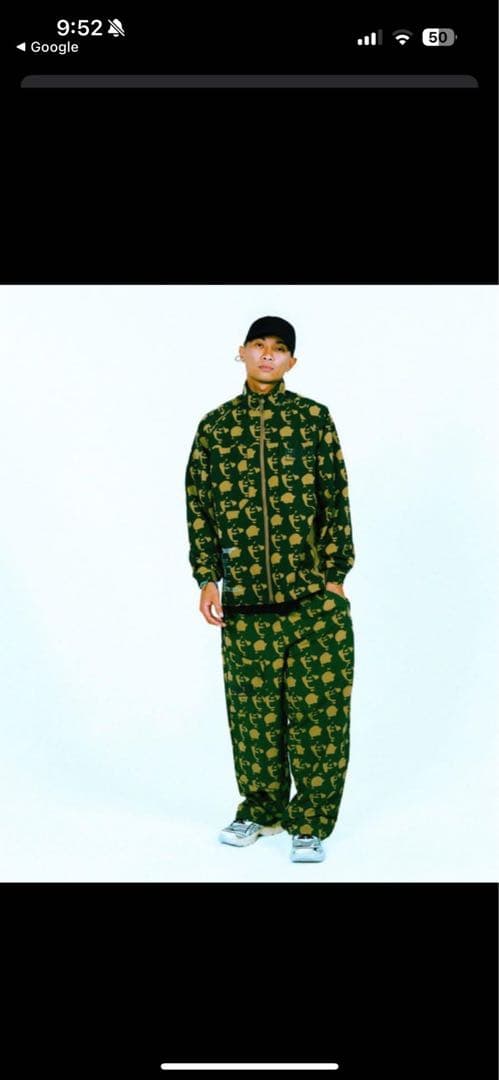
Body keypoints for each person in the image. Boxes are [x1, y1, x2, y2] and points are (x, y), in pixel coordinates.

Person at [185, 315, 355, 862]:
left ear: (291, 362)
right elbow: (199, 508)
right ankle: (260, 810)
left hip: (313, 603)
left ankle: (311, 822)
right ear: (241, 352)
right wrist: (207, 578)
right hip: (245, 605)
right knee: (253, 718)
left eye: (278, 348)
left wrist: (335, 579)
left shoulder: (312, 419)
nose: (267, 355)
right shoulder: (216, 427)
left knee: (319, 719)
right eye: (258, 345)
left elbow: (335, 499)